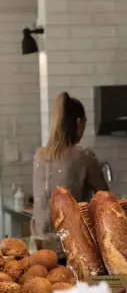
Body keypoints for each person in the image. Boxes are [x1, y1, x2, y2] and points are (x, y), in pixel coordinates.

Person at [33, 91, 109, 238]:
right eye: (84, 124)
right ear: (78, 123)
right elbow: (107, 201)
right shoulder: (84, 156)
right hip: (72, 248)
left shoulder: (39, 156)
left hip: (40, 248)